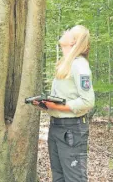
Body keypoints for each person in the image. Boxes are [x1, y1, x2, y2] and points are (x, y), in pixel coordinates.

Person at [33, 25, 95, 182]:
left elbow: (88, 101)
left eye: (69, 32)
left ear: (73, 42)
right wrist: (46, 105)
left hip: (72, 130)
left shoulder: (79, 65)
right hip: (57, 127)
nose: (64, 32)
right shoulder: (67, 64)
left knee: (74, 179)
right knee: (58, 177)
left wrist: (57, 106)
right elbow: (64, 99)